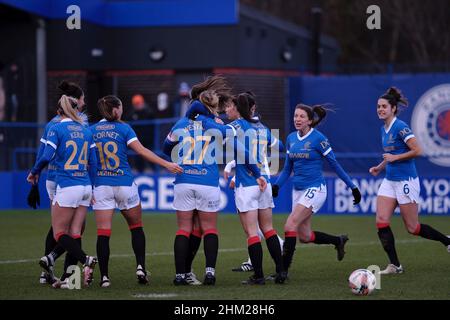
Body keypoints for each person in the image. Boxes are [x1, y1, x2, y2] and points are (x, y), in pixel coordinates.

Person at [164, 85, 266, 286]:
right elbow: (240, 149)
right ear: (213, 107)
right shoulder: (217, 125)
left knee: (184, 229)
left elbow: (166, 149)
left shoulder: (180, 124)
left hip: (184, 180)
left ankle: (180, 274)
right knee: (209, 228)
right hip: (208, 182)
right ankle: (210, 272)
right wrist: (257, 172)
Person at [192, 92, 284, 285]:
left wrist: (204, 116)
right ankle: (281, 272)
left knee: (252, 233)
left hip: (248, 184)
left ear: (238, 108)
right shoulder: (261, 127)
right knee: (268, 229)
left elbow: (215, 131)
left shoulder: (236, 127)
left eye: (230, 106)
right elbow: (280, 146)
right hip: (265, 183)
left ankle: (258, 276)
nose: (227, 109)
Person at [91, 95, 182, 287]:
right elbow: (141, 151)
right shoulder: (124, 128)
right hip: (124, 183)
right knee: (136, 227)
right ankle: (140, 266)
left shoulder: (91, 130)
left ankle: (105, 277)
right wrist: (166, 164)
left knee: (103, 233)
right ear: (115, 109)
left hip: (102, 185)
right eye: (121, 107)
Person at [272, 103, 362, 277]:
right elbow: (287, 169)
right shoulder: (291, 138)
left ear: (310, 121)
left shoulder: (319, 139)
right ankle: (338, 240)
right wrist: (277, 185)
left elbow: (335, 165)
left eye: (301, 117)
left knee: (290, 225)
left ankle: (283, 271)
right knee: (304, 236)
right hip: (297, 191)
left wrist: (353, 187)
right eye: (295, 116)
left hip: (315, 189)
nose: (297, 119)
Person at [369, 87, 450, 274]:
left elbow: (418, 150)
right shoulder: (384, 128)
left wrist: (395, 159)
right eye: (378, 106)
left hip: (406, 181)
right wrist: (380, 167)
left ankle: (447, 241)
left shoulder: (400, 126)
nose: (380, 109)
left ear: (393, 109)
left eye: (384, 106)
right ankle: (395, 266)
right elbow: (391, 153)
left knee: (413, 228)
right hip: (390, 180)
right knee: (381, 221)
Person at [27, 95, 98, 287]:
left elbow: (46, 156)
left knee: (59, 233)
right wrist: (92, 187)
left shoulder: (56, 128)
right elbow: (94, 163)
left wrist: (34, 172)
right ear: (76, 110)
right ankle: (70, 280)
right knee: (75, 232)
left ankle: (86, 260)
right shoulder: (85, 130)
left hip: (67, 185)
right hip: (85, 186)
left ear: (59, 111)